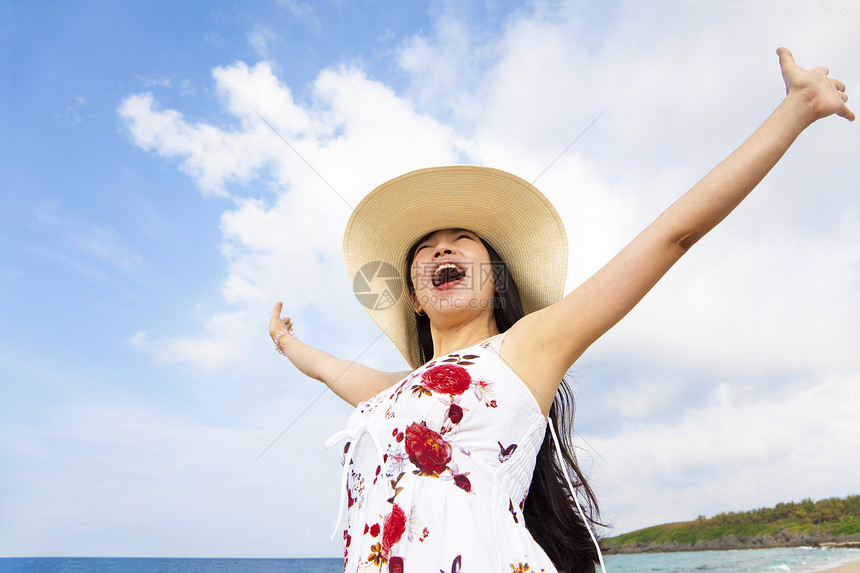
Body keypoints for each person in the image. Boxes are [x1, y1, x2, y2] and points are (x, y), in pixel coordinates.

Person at [268, 48, 853, 573]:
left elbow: (672, 235)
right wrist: (286, 342)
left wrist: (796, 110)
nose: (441, 248)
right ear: (414, 300)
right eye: (425, 248)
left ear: (496, 280)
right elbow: (330, 370)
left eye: (460, 240)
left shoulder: (525, 350)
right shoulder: (391, 393)